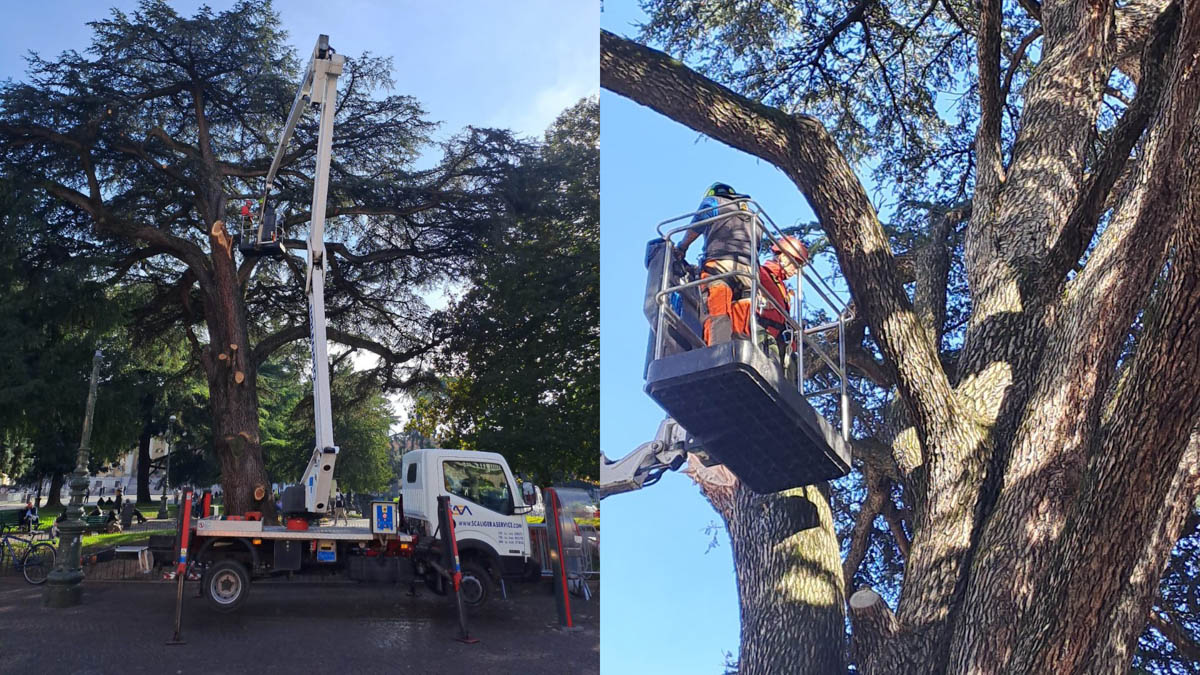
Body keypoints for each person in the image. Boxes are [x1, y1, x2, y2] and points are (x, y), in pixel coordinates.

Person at [675, 183, 759, 345]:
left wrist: (682, 247)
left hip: (720, 266)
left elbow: (699, 222)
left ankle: (717, 354)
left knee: (717, 313)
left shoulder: (714, 201)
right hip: (750, 273)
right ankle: (742, 353)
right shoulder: (751, 214)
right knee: (743, 320)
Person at [756, 236, 809, 380]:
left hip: (781, 343)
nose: (796, 271)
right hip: (765, 337)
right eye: (796, 264)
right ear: (784, 257)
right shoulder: (761, 273)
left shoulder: (781, 287)